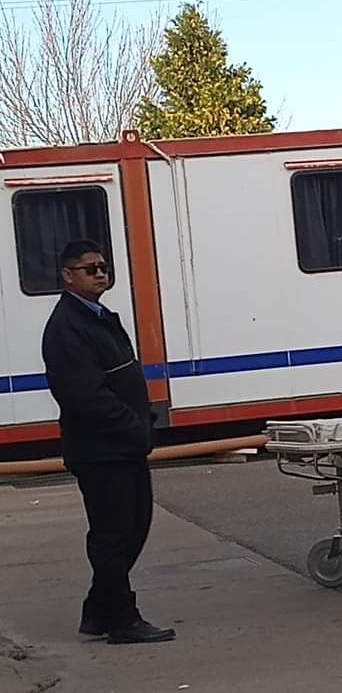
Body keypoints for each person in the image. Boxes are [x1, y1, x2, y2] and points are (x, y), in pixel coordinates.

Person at [41, 239, 175, 645]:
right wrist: (134, 427)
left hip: (125, 445)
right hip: (102, 451)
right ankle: (121, 618)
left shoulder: (100, 317)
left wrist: (143, 417)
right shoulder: (67, 327)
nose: (101, 273)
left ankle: (99, 611)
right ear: (67, 275)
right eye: (90, 268)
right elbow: (86, 396)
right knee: (113, 534)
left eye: (103, 266)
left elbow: (121, 376)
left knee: (135, 527)